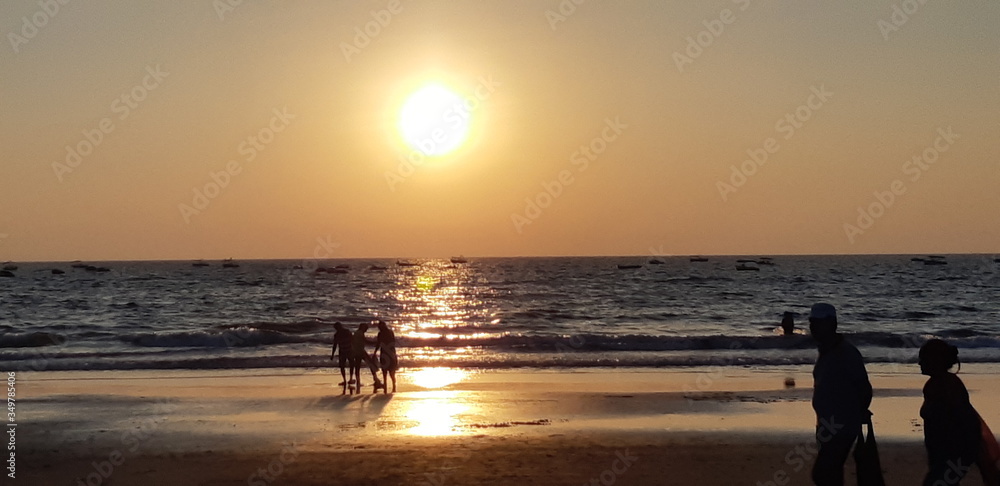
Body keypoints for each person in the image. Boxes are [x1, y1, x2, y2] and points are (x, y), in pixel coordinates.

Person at [809, 303, 873, 486]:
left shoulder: (846, 353)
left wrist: (856, 412)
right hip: (826, 425)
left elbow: (864, 388)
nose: (813, 327)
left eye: (818, 323)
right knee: (831, 474)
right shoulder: (826, 351)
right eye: (812, 322)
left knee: (823, 473)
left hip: (840, 427)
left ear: (832, 324)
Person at [919, 339, 981, 486]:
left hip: (955, 455)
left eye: (922, 359)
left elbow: (965, 419)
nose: (919, 363)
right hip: (947, 455)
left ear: (934, 360)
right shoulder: (938, 383)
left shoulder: (946, 385)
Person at [350, 323, 383, 390]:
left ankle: (358, 381)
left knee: (357, 367)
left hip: (356, 352)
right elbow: (365, 341)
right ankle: (375, 379)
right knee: (371, 364)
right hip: (361, 352)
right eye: (366, 328)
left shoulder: (356, 333)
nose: (366, 330)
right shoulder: (360, 333)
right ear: (363, 327)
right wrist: (374, 343)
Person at [373, 320, 398, 393]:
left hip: (385, 353)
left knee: (385, 370)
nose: (379, 328)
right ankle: (393, 386)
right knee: (391, 371)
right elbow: (393, 342)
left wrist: (375, 352)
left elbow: (378, 343)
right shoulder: (390, 332)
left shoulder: (381, 333)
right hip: (391, 353)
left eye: (379, 327)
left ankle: (387, 386)